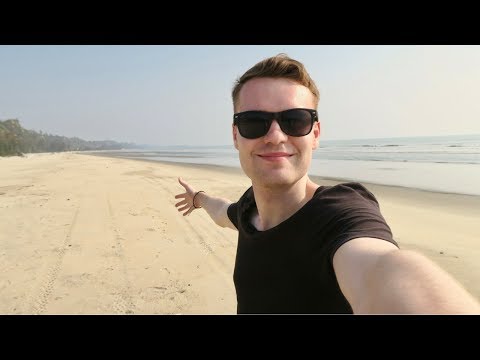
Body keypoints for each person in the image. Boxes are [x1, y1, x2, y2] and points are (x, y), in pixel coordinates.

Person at [174, 53, 480, 314]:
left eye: (295, 120)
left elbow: (382, 267)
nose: (276, 136)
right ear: (235, 136)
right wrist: (198, 198)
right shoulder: (248, 210)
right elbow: (222, 211)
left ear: (315, 134)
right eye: (255, 122)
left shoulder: (339, 215)